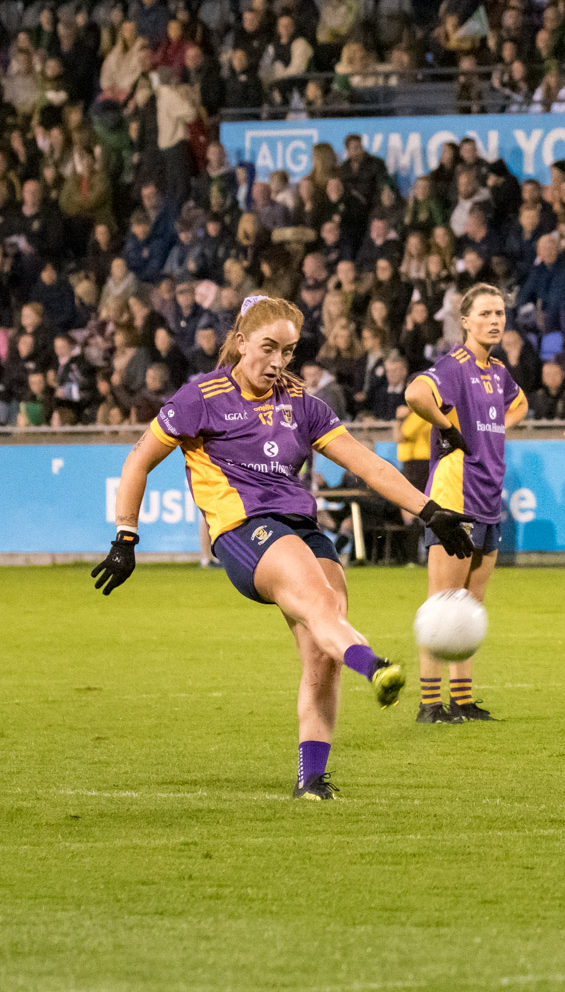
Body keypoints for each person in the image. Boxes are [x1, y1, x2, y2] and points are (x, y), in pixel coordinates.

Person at [90, 296, 474, 801]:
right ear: (241, 340)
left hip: (300, 525)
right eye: (268, 348)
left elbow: (367, 464)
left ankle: (311, 780)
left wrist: (430, 510)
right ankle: (375, 666)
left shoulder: (302, 406)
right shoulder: (200, 397)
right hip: (245, 529)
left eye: (288, 352)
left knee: (322, 649)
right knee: (321, 604)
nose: (277, 363)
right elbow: (138, 460)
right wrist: (125, 537)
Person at [404, 282, 529, 725]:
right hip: (456, 496)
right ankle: (429, 704)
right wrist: (446, 426)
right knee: (443, 603)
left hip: (488, 495)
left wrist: (492, 428)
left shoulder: (496, 371)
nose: (495, 320)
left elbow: (520, 404)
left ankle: (462, 699)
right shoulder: (454, 365)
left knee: (470, 606)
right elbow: (415, 394)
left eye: (500, 313)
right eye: (486, 314)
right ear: (466, 321)